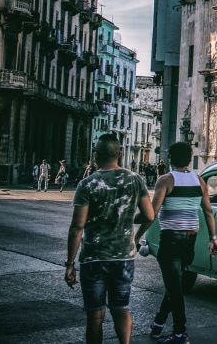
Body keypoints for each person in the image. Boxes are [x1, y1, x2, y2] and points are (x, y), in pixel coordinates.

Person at [65, 134, 154, 344]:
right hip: (124, 257)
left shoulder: (87, 184)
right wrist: (129, 221)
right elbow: (149, 215)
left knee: (95, 315)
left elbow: (77, 227)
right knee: (121, 310)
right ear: (120, 153)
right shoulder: (135, 179)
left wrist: (70, 263)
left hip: (94, 258)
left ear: (95, 155)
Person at [136, 142, 217, 344]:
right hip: (190, 241)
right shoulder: (199, 181)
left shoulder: (165, 180)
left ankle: (180, 334)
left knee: (175, 289)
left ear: (170, 159)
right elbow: (208, 211)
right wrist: (213, 238)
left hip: (171, 241)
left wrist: (135, 234)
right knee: (174, 286)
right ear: (190, 159)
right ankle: (158, 324)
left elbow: (152, 214)